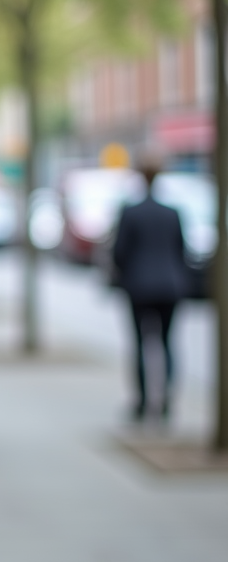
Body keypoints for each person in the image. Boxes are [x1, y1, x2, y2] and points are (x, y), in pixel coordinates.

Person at [112, 158, 187, 422]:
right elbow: (182, 250)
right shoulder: (172, 212)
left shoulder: (130, 212)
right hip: (169, 285)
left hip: (139, 285)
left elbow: (119, 252)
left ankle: (143, 402)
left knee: (139, 344)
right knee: (167, 344)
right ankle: (166, 399)